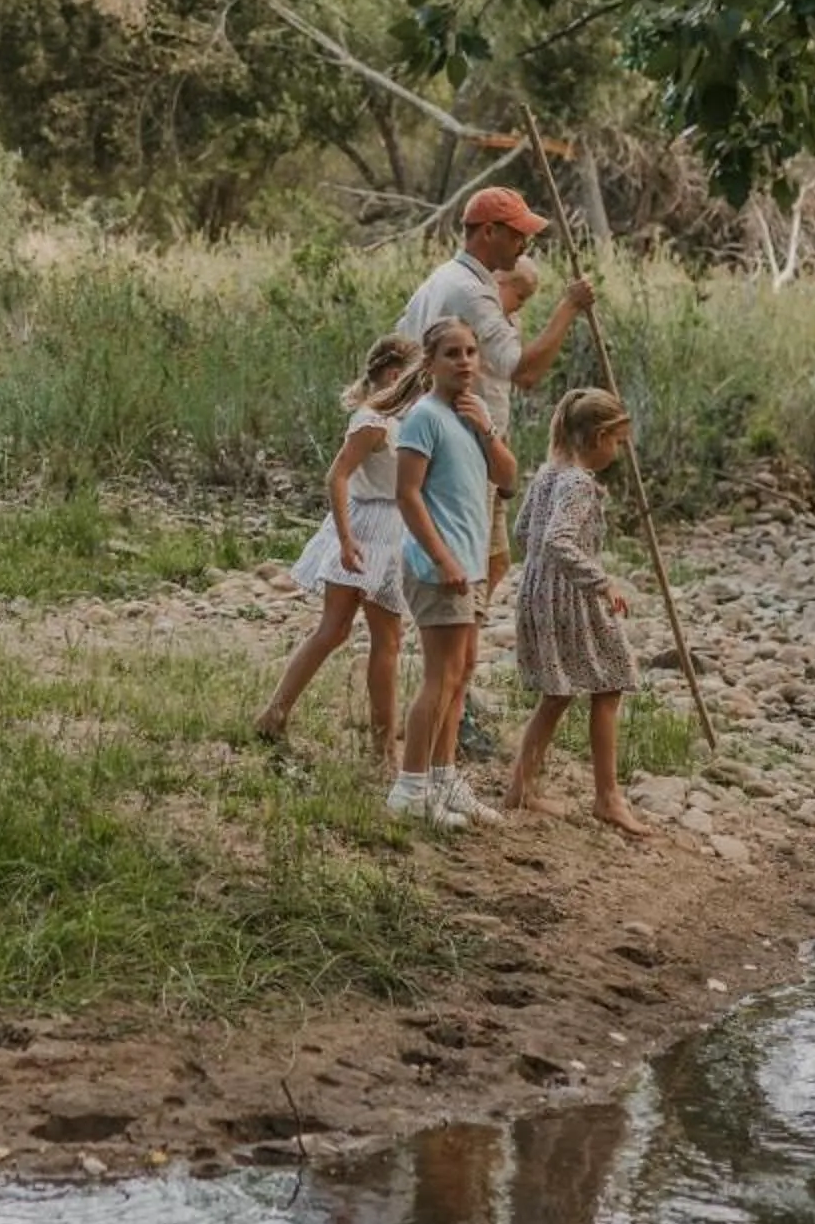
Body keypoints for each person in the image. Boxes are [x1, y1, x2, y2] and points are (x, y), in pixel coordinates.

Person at [396, 189, 594, 607]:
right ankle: (455, 654)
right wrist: (569, 308)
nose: (525, 245)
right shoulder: (470, 291)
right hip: (465, 447)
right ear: (489, 232)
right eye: (518, 234)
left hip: (481, 444)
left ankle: (464, 650)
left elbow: (401, 346)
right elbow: (525, 371)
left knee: (496, 559)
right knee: (469, 570)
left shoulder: (442, 278)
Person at [253, 333, 432, 759]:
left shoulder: (398, 418)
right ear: (394, 375)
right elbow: (337, 476)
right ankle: (380, 746)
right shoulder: (374, 421)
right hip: (369, 527)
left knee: (348, 632)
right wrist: (347, 538)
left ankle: (276, 714)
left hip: (385, 525)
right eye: (416, 378)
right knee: (366, 636)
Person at [505, 388, 654, 835]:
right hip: (569, 595)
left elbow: (522, 529)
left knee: (561, 691)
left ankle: (521, 787)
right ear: (597, 437)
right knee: (610, 681)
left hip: (541, 591)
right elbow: (556, 539)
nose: (618, 450)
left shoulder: (550, 473)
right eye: (617, 441)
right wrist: (600, 580)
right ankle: (607, 797)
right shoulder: (578, 483)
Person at [387, 316, 517, 827]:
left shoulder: (472, 413)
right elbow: (407, 494)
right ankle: (410, 788)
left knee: (460, 675)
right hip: (438, 566)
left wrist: (486, 429)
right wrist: (442, 557)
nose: (464, 362)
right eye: (452, 354)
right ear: (431, 361)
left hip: (471, 562)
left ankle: (444, 780)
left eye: (470, 352)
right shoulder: (424, 417)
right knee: (440, 677)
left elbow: (507, 479)